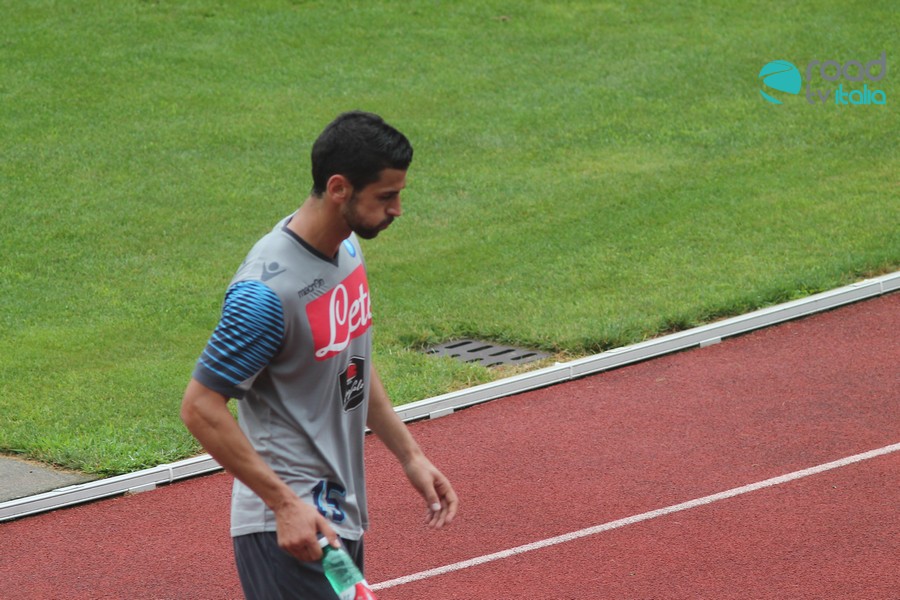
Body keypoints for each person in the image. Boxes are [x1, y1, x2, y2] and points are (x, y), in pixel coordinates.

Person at [180, 111, 458, 599]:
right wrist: (284, 504)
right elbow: (200, 407)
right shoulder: (266, 293)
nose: (397, 210)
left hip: (336, 517)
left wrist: (411, 456)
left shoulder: (347, 252)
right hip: (290, 528)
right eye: (386, 197)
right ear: (338, 189)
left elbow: (351, 367)